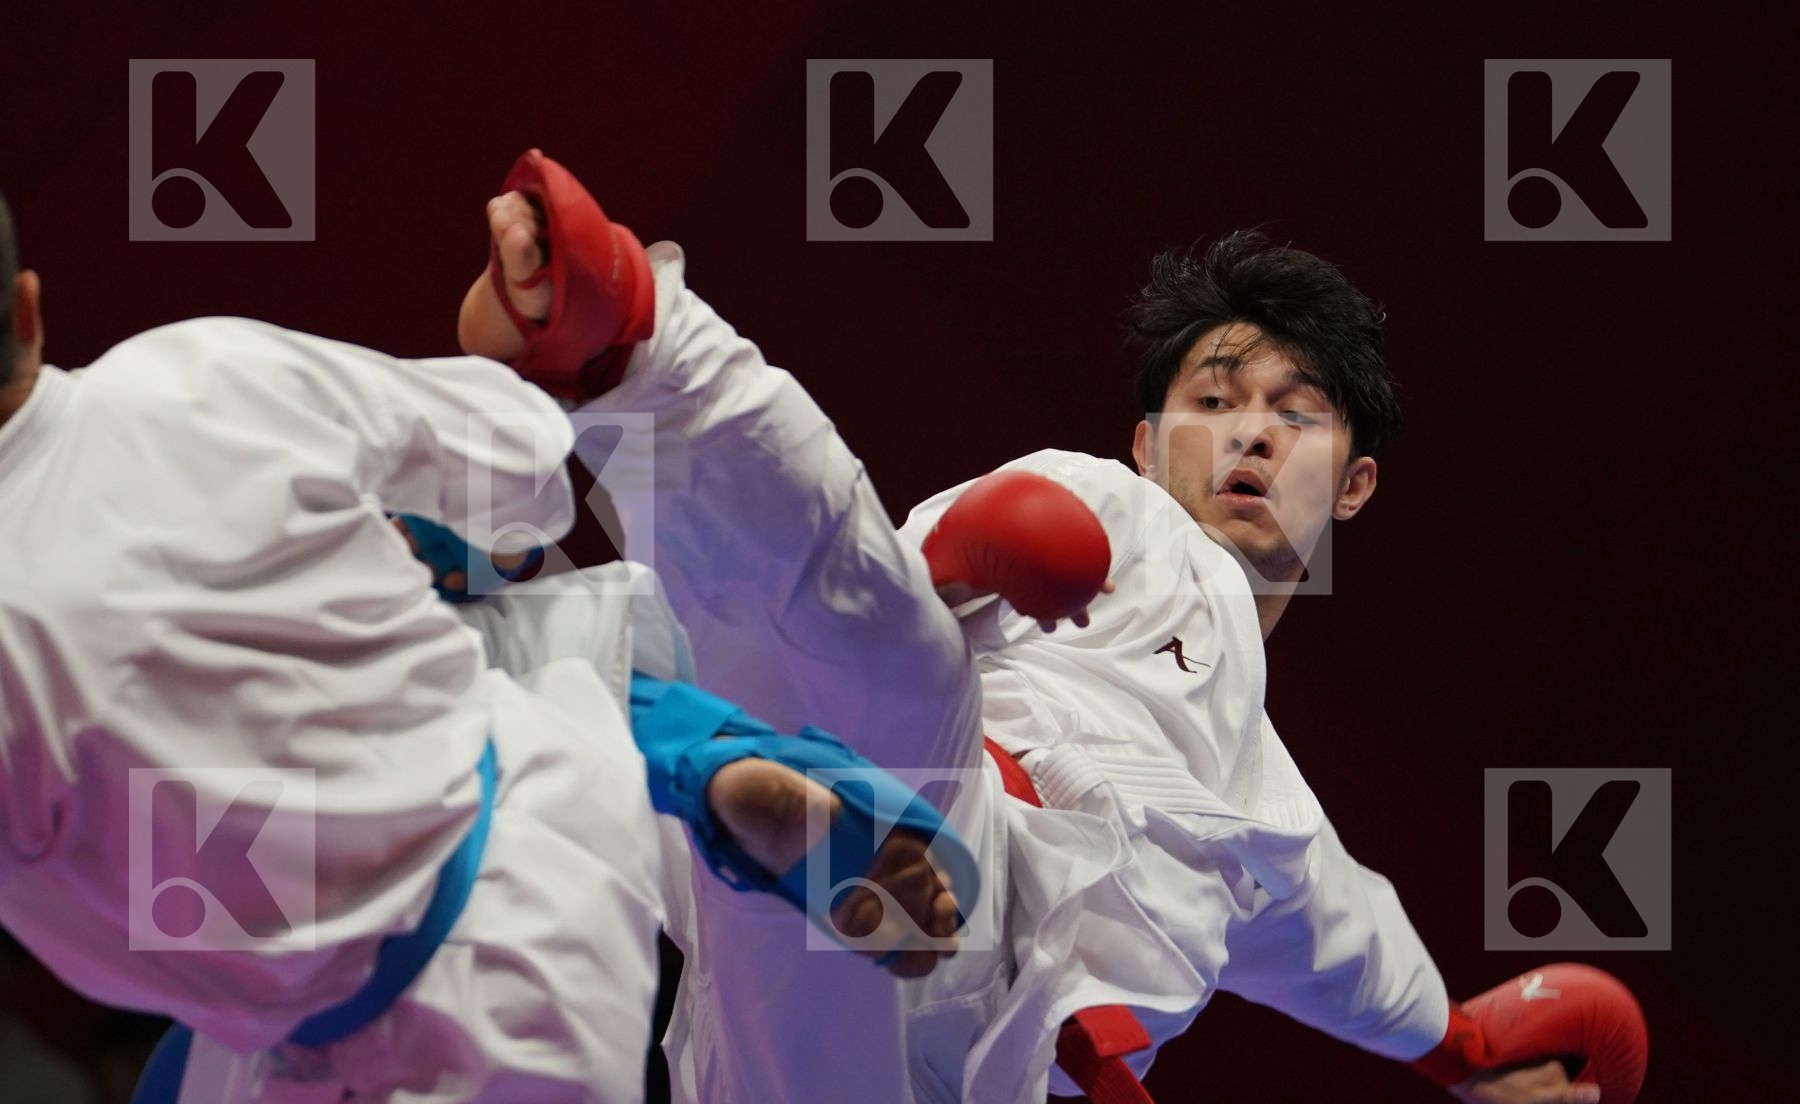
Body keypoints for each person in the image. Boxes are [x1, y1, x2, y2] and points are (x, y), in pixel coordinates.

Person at [459, 151, 1647, 1104]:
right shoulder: (1115, 507)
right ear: (1147, 445)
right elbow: (877, 587)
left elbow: (1351, 953)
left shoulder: (1273, 817)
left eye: (1297, 414)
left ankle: (582, 691)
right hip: (942, 828)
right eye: (1214, 401)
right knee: (886, 668)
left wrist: (1467, 1054)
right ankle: (625, 340)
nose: (1249, 433)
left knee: (829, 684)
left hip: (947, 1063)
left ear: (1355, 484)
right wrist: (960, 554)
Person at [0, 186, 970, 1104]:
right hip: (548, 842)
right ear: (31, 310)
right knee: (489, 657)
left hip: (377, 1021)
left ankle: (676, 741)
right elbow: (521, 483)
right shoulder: (193, 370)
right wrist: (426, 531)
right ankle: (704, 753)